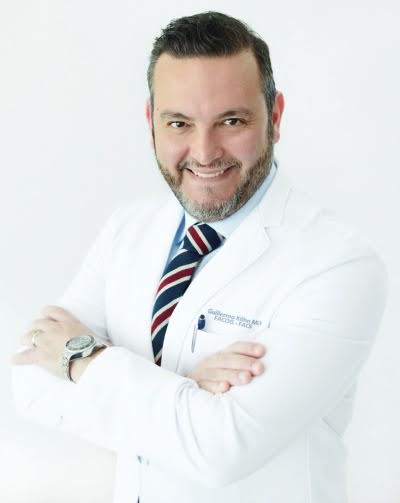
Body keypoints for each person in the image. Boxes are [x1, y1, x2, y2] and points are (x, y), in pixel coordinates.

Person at [11, 11, 388, 503]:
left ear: (275, 116)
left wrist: (81, 358)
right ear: (151, 122)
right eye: (179, 123)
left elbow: (219, 449)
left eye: (231, 121)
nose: (205, 152)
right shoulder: (128, 229)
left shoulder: (339, 266)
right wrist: (184, 390)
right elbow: (29, 383)